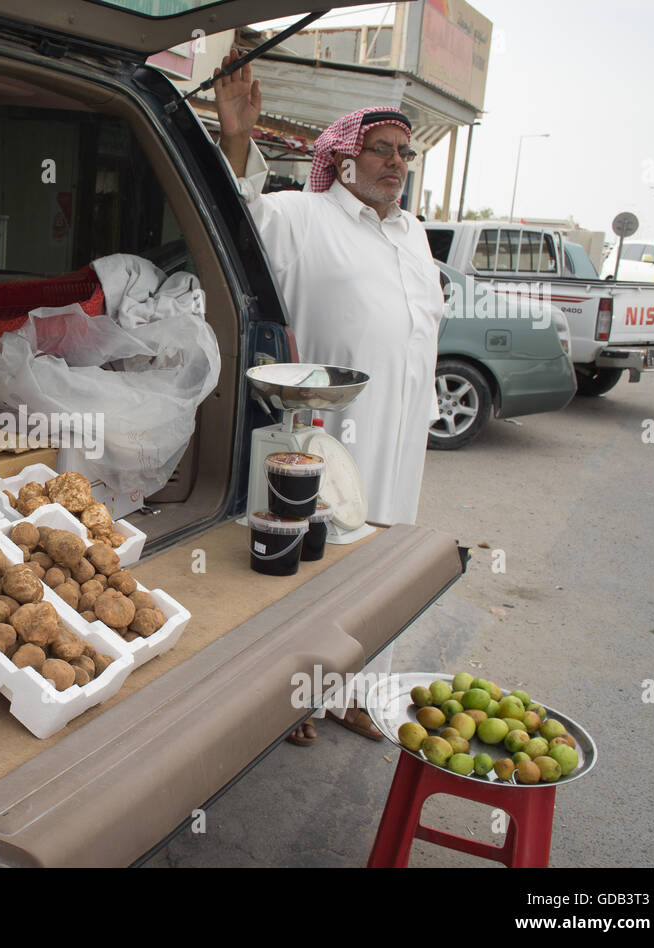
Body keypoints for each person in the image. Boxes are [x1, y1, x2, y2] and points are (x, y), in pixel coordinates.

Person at [214, 53, 443, 746]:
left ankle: (359, 693)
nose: (396, 163)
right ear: (342, 156)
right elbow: (237, 219)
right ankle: (293, 701)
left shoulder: (413, 235)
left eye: (405, 153)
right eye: (381, 149)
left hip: (400, 440)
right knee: (314, 561)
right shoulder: (303, 217)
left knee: (379, 570)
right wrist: (234, 140)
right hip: (325, 435)